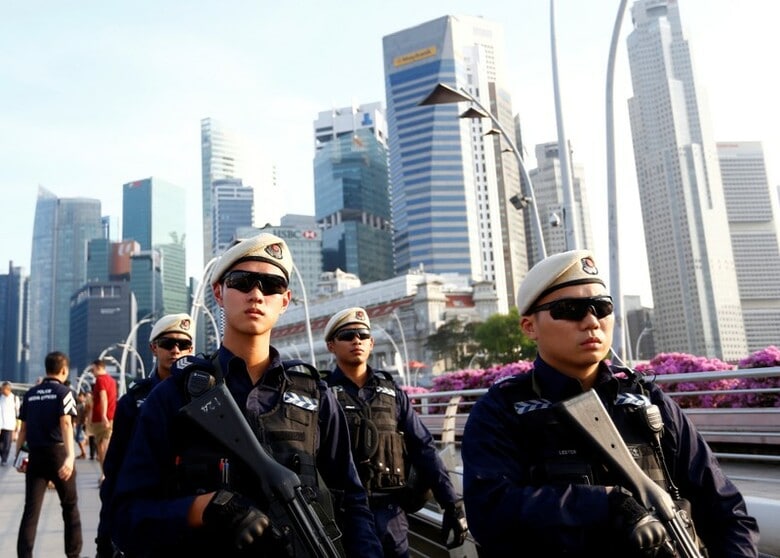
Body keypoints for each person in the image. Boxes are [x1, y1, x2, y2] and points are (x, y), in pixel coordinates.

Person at [461, 249, 760, 557]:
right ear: (529, 327)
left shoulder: (647, 401)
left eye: (601, 308)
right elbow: (490, 513)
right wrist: (606, 504)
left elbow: (726, 510)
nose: (591, 321)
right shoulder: (502, 411)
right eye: (569, 309)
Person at [111, 233, 383, 557]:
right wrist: (203, 509)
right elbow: (126, 518)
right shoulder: (174, 397)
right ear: (218, 293)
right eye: (243, 281)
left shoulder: (317, 398)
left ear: (284, 301)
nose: (256, 294)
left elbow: (353, 503)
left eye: (271, 285)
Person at [323, 307, 468, 557]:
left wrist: (451, 504)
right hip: (343, 514)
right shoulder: (322, 393)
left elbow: (423, 448)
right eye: (347, 335)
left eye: (362, 335)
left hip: (391, 512)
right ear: (331, 345)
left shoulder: (391, 392)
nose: (356, 340)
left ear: (371, 343)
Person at [95, 313, 194, 558]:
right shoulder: (134, 401)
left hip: (190, 513)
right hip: (148, 510)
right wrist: (106, 531)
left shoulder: (203, 396)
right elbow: (115, 467)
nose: (176, 350)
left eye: (183, 345)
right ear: (153, 348)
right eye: (167, 344)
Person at [15, 351, 83, 558]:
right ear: (63, 370)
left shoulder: (31, 394)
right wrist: (70, 457)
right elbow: (66, 424)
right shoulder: (65, 392)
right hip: (58, 454)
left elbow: (23, 429)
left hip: (36, 456)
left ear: (46, 369)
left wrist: (18, 456)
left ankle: (24, 555)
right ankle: (73, 554)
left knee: (31, 511)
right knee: (69, 507)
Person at [90, 358, 117, 485]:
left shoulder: (100, 380)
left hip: (101, 419)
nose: (92, 372)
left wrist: (103, 416)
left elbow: (103, 397)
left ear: (98, 367)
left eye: (92, 369)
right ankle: (106, 473)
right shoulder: (111, 380)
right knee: (105, 445)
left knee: (102, 447)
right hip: (110, 416)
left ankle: (105, 474)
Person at [1, 380, 20, 465]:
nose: (1, 391)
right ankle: (2, 456)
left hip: (9, 425)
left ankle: (4, 459)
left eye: (3, 389)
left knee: (7, 444)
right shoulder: (0, 398)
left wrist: (17, 427)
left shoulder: (15, 399)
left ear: (8, 389)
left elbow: (17, 413)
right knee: (1, 444)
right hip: (1, 424)